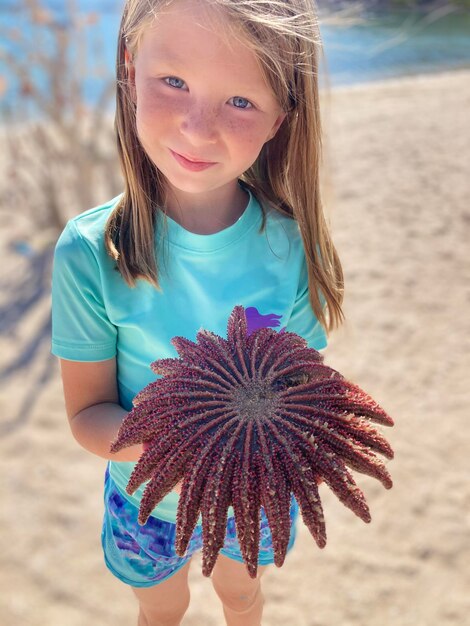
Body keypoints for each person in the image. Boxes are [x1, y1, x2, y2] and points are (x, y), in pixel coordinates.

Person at [51, 0, 344, 624]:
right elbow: (87, 415)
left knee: (241, 593)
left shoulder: (292, 246)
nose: (197, 126)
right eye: (174, 82)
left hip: (254, 486)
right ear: (131, 73)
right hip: (144, 497)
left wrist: (300, 427)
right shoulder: (90, 253)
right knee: (161, 608)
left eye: (240, 101)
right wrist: (181, 443)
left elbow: (302, 380)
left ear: (280, 119)